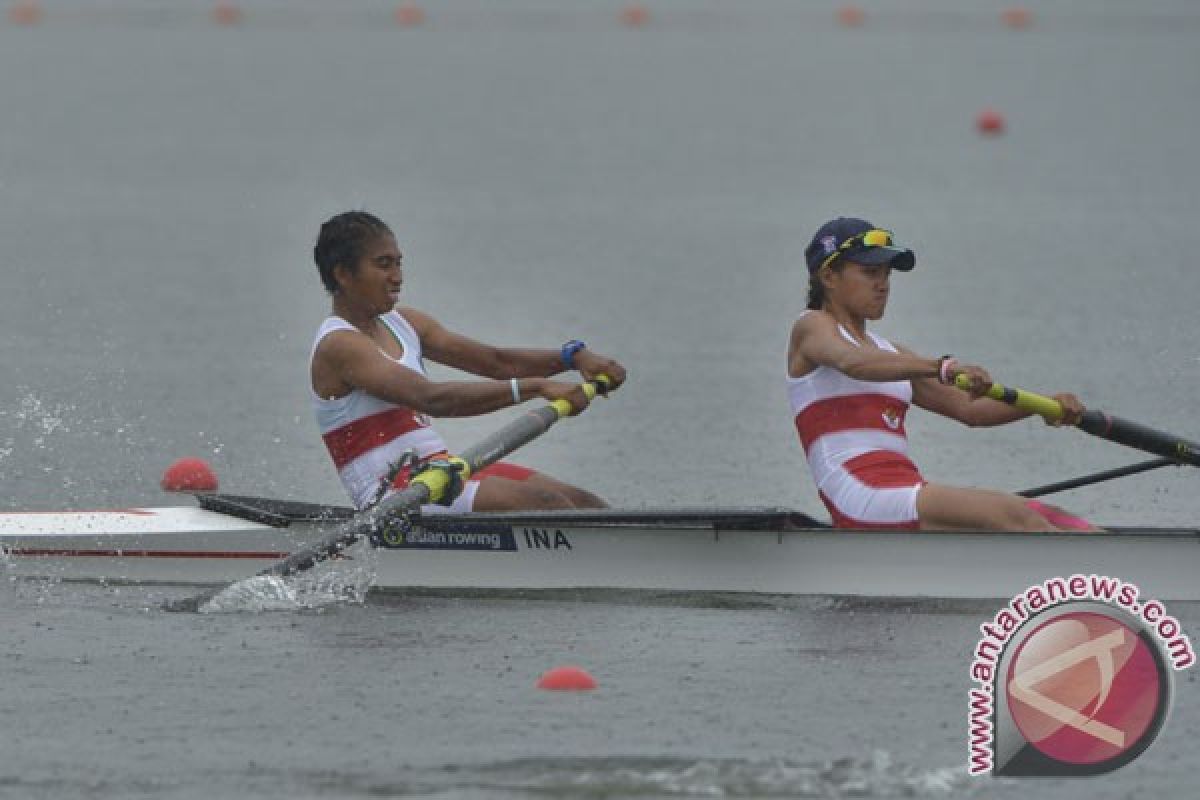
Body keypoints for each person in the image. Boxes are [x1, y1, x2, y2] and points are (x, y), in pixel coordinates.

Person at [787, 216, 1097, 531]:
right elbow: (853, 362)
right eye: (869, 273)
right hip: (858, 492)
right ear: (828, 276)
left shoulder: (892, 355)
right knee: (1014, 515)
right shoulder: (812, 327)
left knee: (1057, 517)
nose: (883, 285)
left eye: (886, 274)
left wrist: (1043, 405)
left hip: (902, 485)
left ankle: (1112, 576)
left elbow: (970, 408)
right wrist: (941, 367)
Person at [310, 210, 626, 512]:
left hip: (443, 472)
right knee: (547, 504)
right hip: (396, 494)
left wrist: (574, 357)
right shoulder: (340, 345)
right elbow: (432, 399)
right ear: (343, 274)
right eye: (383, 265)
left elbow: (496, 362)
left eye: (398, 264)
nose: (397, 277)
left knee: (584, 503)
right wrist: (538, 388)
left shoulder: (405, 323)